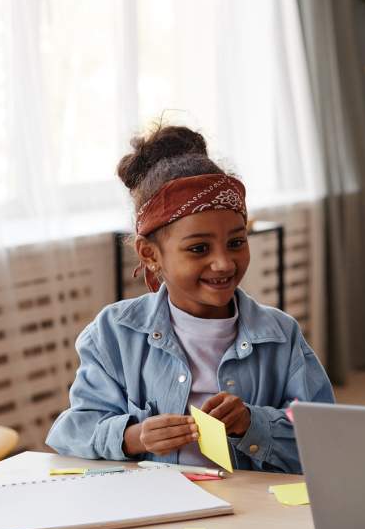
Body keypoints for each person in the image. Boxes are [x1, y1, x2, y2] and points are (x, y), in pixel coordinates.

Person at [47, 125, 334, 472]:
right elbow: (72, 433)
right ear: (150, 254)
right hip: (157, 509)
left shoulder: (281, 336)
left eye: (236, 242)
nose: (224, 263)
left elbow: (325, 438)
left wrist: (251, 423)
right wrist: (134, 437)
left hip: (252, 511)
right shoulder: (112, 333)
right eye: (199, 248)